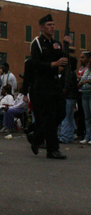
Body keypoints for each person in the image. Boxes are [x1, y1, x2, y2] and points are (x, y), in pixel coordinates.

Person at [27, 13, 69, 159]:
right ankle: (52, 149)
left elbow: (65, 59)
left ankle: (37, 136)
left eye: (53, 25)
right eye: (49, 25)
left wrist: (67, 46)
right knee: (50, 115)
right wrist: (53, 64)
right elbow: (36, 64)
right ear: (41, 27)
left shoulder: (56, 43)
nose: (52, 27)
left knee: (61, 112)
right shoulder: (37, 43)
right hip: (43, 83)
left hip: (55, 82)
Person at [58, 57, 78, 143]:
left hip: (68, 98)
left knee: (65, 117)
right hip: (72, 97)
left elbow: (66, 87)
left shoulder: (67, 75)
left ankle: (65, 136)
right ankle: (69, 136)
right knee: (70, 117)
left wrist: (61, 95)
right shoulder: (72, 73)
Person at [76, 51, 91, 139]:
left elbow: (81, 78)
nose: (81, 59)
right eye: (80, 57)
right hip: (82, 92)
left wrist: (83, 80)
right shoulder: (82, 68)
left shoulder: (87, 70)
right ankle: (86, 135)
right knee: (85, 115)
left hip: (88, 92)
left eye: (83, 57)